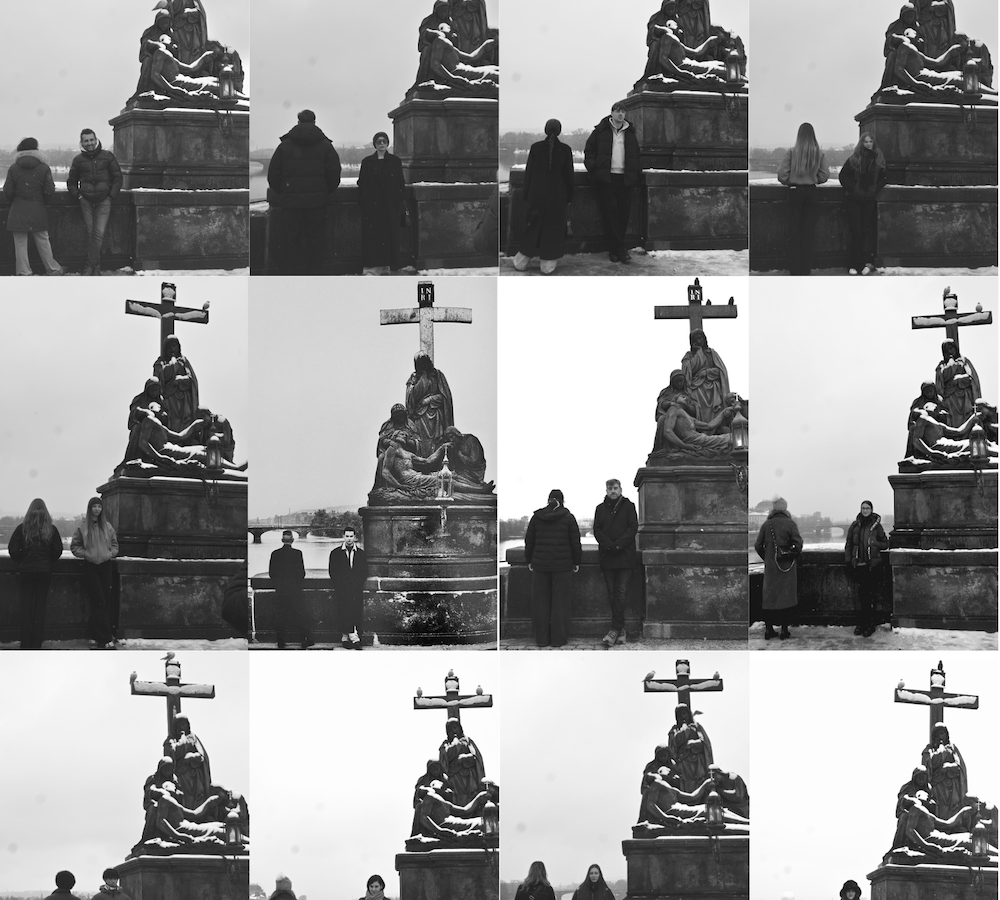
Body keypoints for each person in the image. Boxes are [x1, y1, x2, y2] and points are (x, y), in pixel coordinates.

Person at [267, 110, 342, 274]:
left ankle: (290, 275)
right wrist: (324, 191)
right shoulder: (325, 146)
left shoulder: (284, 145)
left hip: (291, 204)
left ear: (298, 121)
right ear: (314, 121)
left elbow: (273, 175)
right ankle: (314, 275)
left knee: (290, 241)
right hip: (317, 204)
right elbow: (334, 173)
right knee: (316, 241)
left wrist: (285, 192)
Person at [512, 118, 575, 275]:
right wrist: (569, 197)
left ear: (545, 130)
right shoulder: (565, 149)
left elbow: (529, 175)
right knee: (553, 230)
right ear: (559, 131)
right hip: (557, 197)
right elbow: (569, 177)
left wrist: (527, 195)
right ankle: (547, 265)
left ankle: (521, 261)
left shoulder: (535, 148)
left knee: (532, 227)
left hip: (536, 195)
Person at [524, 489, 582, 647]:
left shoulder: (537, 517)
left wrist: (529, 560)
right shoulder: (569, 518)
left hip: (540, 565)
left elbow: (529, 541)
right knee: (561, 604)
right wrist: (576, 562)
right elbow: (575, 542)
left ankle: (542, 640)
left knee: (540, 603)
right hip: (562, 567)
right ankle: (558, 640)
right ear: (562, 501)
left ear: (548, 500)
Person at [585, 102, 640, 263]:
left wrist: (635, 173)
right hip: (606, 179)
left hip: (625, 179)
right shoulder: (600, 131)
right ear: (612, 113)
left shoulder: (630, 132)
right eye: (617, 111)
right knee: (610, 216)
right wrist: (594, 168)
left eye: (623, 112)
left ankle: (615, 249)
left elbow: (636, 155)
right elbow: (589, 151)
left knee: (623, 215)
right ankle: (620, 250)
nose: (621, 114)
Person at [3, 137, 65, 276]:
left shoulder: (14, 168)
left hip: (18, 210)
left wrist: (17, 200)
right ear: (36, 149)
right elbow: (49, 190)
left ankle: (24, 272)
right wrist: (41, 202)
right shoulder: (43, 167)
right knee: (43, 242)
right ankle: (52, 268)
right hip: (37, 209)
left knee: (20, 245)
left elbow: (8, 190)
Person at [7, 498, 63, 649]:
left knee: (25, 607)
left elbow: (13, 549)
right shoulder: (51, 529)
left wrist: (23, 560)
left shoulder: (22, 528)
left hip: (26, 572)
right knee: (40, 608)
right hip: (44, 572)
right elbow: (57, 551)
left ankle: (25, 642)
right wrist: (47, 562)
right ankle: (36, 643)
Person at [67, 129, 123, 276]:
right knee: (92, 233)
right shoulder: (78, 160)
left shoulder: (107, 156)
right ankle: (96, 266)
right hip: (85, 200)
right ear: (82, 143)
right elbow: (71, 183)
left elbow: (118, 178)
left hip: (104, 200)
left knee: (98, 233)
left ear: (96, 139)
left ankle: (89, 266)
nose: (89, 143)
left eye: (91, 140)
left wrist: (111, 196)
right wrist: (78, 196)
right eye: (86, 141)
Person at [777, 123, 829, 276]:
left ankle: (795, 270)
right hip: (811, 193)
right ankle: (805, 270)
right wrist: (813, 180)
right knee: (808, 234)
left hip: (794, 193)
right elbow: (825, 175)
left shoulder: (792, 153)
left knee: (794, 234)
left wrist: (792, 181)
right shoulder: (819, 153)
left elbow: (782, 175)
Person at [70, 496, 120, 650]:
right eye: (94, 506)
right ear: (90, 508)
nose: (97, 509)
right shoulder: (82, 526)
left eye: (99, 506)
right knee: (98, 600)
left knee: (102, 601)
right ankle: (105, 638)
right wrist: (86, 554)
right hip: (90, 566)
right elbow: (75, 546)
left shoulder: (108, 526)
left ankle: (93, 635)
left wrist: (109, 554)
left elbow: (115, 545)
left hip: (105, 565)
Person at [593, 478, 638, 648]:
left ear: (620, 489)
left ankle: (614, 629)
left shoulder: (629, 506)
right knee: (612, 594)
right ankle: (622, 629)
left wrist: (618, 545)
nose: (613, 491)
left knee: (620, 593)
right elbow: (597, 530)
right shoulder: (600, 509)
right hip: (608, 556)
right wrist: (609, 545)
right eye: (610, 488)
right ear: (606, 490)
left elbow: (633, 528)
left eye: (615, 488)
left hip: (624, 556)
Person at [753, 497, 803, 640]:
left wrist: (768, 558)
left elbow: (757, 545)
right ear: (785, 508)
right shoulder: (790, 523)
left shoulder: (766, 524)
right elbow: (798, 544)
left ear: (773, 509)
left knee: (769, 598)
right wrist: (790, 555)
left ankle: (768, 630)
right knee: (786, 598)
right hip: (787, 567)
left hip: (771, 568)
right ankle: (784, 630)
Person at [839, 133, 887, 276]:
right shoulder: (854, 159)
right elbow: (843, 176)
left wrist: (874, 189)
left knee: (866, 231)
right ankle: (854, 264)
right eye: (865, 142)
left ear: (874, 143)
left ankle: (865, 263)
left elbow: (884, 178)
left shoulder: (879, 159)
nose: (868, 144)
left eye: (870, 141)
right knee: (856, 232)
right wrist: (854, 189)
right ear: (861, 143)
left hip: (869, 200)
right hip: (854, 199)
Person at [358, 132, 406, 275]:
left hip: (390, 207)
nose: (382, 144)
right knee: (375, 239)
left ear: (388, 143)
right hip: (373, 208)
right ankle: (376, 266)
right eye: (379, 141)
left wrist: (398, 200)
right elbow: (362, 183)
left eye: (384, 141)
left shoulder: (395, 161)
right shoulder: (367, 162)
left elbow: (400, 183)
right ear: (375, 144)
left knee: (388, 238)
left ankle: (386, 265)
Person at [844, 500, 889, 637]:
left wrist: (875, 543)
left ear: (871, 510)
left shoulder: (877, 526)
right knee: (862, 597)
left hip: (873, 567)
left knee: (871, 597)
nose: (865, 510)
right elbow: (849, 544)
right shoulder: (854, 525)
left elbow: (885, 544)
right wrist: (849, 561)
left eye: (867, 508)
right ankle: (863, 622)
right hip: (860, 566)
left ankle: (870, 624)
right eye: (863, 508)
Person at [406, 351, 455, 454]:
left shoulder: (438, 376)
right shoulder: (414, 378)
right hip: (420, 417)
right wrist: (422, 379)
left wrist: (429, 400)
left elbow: (445, 397)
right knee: (421, 444)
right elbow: (410, 400)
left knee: (437, 443)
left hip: (436, 416)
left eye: (425, 362)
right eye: (420, 363)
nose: (423, 365)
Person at [269, 530, 310, 650]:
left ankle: (280, 641)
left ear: (282, 540)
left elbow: (272, 573)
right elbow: (301, 573)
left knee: (280, 616)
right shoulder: (298, 553)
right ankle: (303, 640)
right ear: (292, 540)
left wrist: (280, 585)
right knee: (299, 615)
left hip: (281, 591)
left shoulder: (275, 554)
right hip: (295, 590)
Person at [328, 527, 368, 650]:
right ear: (343, 537)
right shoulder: (335, 553)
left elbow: (364, 572)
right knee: (343, 612)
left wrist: (357, 584)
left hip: (356, 589)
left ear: (355, 537)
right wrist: (340, 585)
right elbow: (332, 572)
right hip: (342, 589)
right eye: (347, 536)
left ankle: (353, 637)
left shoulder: (361, 554)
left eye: (351, 536)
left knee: (355, 612)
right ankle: (347, 637)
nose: (349, 539)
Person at [681, 329, 730, 424]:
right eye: (695, 340)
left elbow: (721, 371)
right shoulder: (689, 356)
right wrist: (699, 352)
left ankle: (717, 427)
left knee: (716, 408)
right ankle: (701, 427)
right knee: (694, 402)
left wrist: (707, 372)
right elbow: (687, 371)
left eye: (700, 338)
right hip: (696, 388)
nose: (698, 341)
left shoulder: (712, 353)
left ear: (704, 339)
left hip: (713, 388)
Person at [921, 723, 968, 820]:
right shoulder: (929, 750)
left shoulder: (952, 748)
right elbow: (926, 768)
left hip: (952, 787)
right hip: (937, 787)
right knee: (939, 809)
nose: (939, 737)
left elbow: (960, 767)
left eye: (942, 733)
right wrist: (940, 752)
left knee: (953, 810)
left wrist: (947, 767)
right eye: (937, 734)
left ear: (946, 735)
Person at [153, 335, 199, 432]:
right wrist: (173, 365)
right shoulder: (160, 362)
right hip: (169, 398)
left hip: (184, 397)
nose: (172, 349)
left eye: (174, 346)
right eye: (170, 346)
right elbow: (158, 379)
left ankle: (186, 439)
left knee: (186, 418)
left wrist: (181, 379)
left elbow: (192, 380)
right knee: (171, 420)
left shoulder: (183, 361)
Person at [438, 718, 487, 805]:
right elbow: (444, 763)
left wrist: (464, 757)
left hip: (469, 776)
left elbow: (476, 757)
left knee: (472, 797)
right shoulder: (444, 745)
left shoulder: (467, 741)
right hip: (454, 778)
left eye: (455, 727)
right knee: (456, 800)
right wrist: (455, 742)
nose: (454, 731)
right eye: (451, 729)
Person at [934, 339, 981, 428]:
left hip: (965, 396)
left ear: (956, 349)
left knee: (967, 417)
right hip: (950, 399)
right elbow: (940, 385)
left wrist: (958, 380)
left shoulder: (964, 361)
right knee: (952, 421)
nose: (949, 351)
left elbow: (971, 378)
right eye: (946, 350)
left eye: (951, 348)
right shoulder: (941, 366)